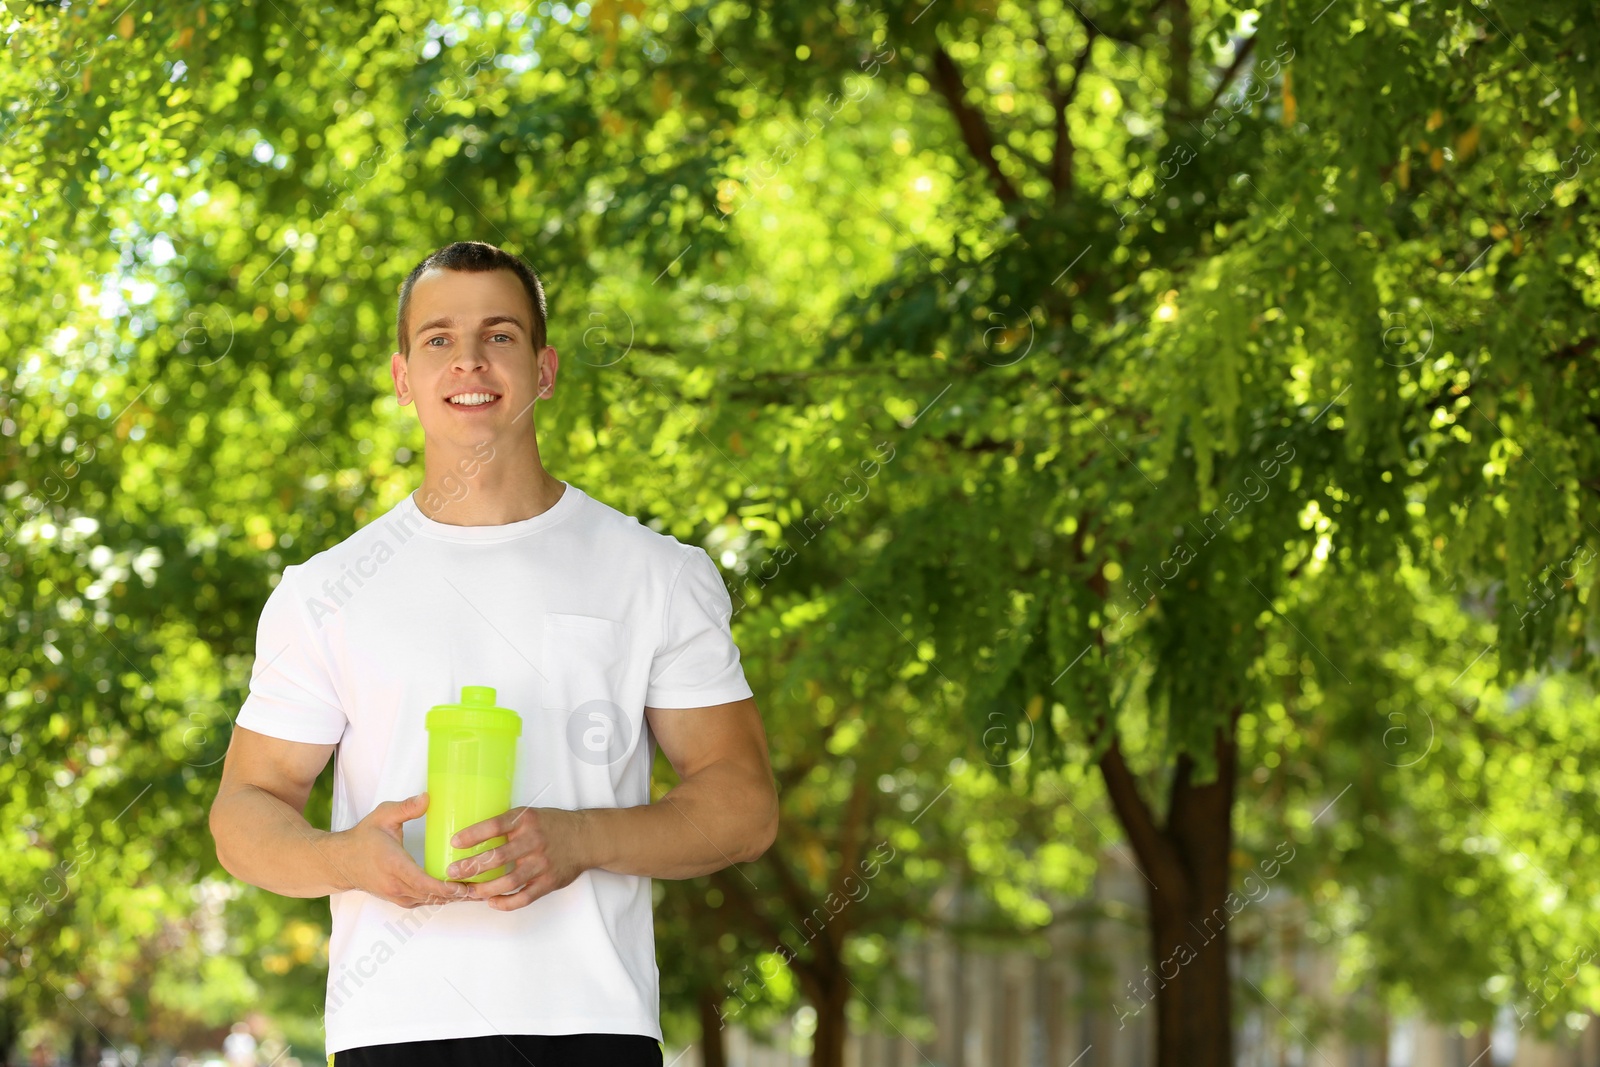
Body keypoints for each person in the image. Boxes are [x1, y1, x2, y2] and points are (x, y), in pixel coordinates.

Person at [208, 241, 780, 1067]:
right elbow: (243, 813)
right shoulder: (324, 589)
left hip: (593, 1030)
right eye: (438, 338)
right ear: (403, 376)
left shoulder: (656, 573)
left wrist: (579, 839)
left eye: (499, 335)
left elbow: (745, 805)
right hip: (393, 1033)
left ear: (544, 369)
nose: (469, 360)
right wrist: (345, 858)